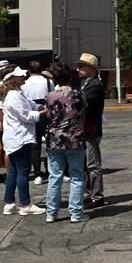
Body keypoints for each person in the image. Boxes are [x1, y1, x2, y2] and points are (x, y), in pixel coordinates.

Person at [44, 63, 87, 223]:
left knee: (55, 176)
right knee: (77, 176)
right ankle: (76, 213)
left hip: (54, 139)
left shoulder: (49, 96)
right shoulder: (78, 94)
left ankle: (51, 213)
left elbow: (48, 115)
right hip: (74, 137)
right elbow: (83, 112)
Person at [0, 67, 46, 216]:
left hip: (17, 137)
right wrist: (41, 113)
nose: (24, 78)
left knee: (13, 171)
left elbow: (29, 104)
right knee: (23, 171)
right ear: (13, 79)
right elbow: (25, 115)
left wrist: (38, 106)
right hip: (20, 137)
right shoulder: (13, 96)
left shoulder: (17, 93)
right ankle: (25, 204)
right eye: (20, 77)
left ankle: (9, 202)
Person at [77, 53, 106, 207]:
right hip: (84, 127)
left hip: (91, 128)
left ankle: (97, 194)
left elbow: (83, 102)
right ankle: (89, 191)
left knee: (92, 164)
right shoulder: (84, 83)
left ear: (91, 69)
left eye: (82, 66)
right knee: (85, 164)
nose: (79, 69)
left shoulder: (95, 85)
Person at [22, 60, 52, 185]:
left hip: (31, 114)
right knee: (50, 142)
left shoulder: (24, 84)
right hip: (45, 112)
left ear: (28, 70)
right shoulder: (48, 82)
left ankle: (37, 173)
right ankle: (51, 169)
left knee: (35, 145)